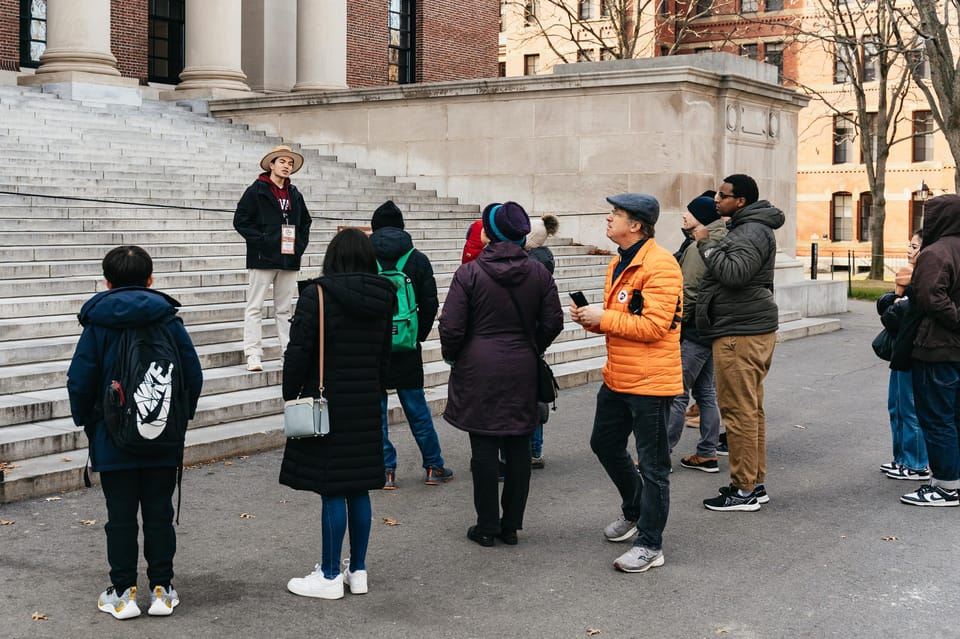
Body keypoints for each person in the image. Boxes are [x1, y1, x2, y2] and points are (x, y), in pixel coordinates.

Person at [66, 246, 203, 620]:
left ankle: (123, 593)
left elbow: (80, 380)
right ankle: (162, 589)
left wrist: (88, 423)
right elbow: (193, 375)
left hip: (112, 437)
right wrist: (178, 418)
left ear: (107, 282)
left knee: (120, 517)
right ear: (150, 279)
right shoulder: (169, 320)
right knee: (159, 513)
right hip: (163, 434)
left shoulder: (98, 324)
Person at [281, 228, 396, 598]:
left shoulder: (317, 294)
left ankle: (330, 574)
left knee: (332, 486)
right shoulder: (384, 296)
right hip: (366, 399)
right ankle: (357, 571)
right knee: (358, 486)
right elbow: (384, 355)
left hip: (327, 401)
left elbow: (297, 352)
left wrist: (289, 394)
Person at [570, 193, 682, 574]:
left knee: (653, 465)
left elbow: (654, 327)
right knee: (603, 443)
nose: (608, 218)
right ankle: (635, 508)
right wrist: (593, 319)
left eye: (615, 214)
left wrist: (604, 318)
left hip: (650, 380)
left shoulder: (661, 265)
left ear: (635, 225)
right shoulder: (620, 261)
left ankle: (651, 544)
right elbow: (622, 317)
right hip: (619, 374)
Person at [440, 202, 563, 547]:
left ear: (490, 233)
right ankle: (511, 525)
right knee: (519, 444)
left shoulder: (470, 273)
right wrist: (531, 346)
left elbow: (451, 327)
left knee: (483, 445)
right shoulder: (539, 273)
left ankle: (487, 525)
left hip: (479, 364)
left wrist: (457, 355)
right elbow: (553, 321)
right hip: (521, 363)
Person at [693, 174, 783, 512]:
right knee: (751, 410)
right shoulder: (751, 228)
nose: (717, 199)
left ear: (741, 201)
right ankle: (753, 483)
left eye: (723, 195)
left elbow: (734, 273)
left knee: (739, 412)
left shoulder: (750, 231)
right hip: (745, 328)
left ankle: (743, 490)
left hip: (740, 333)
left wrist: (706, 243)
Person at [369, 200, 452, 489]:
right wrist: (416, 336)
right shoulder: (417, 259)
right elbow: (430, 303)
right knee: (417, 408)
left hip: (373, 347)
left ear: (374, 227)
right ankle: (433, 465)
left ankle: (386, 470)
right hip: (406, 346)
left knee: (376, 411)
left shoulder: (365, 256)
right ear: (402, 227)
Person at [900, 195, 960, 507]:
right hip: (950, 348)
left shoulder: (936, 253)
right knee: (953, 418)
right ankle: (951, 481)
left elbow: (928, 296)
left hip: (938, 347)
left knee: (937, 418)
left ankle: (947, 486)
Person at [233, 144, 312, 372]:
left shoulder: (294, 193)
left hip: (289, 258)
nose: (287, 166)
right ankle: (253, 353)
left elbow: (305, 222)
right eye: (282, 162)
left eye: (290, 163)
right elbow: (241, 220)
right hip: (263, 257)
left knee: (285, 309)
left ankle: (288, 353)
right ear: (271, 164)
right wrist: (263, 240)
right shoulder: (256, 190)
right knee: (255, 306)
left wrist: (299, 245)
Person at [667, 195, 726, 473]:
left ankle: (658, 456)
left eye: (688, 212)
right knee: (705, 393)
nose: (683, 216)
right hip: (714, 327)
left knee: (677, 395)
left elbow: (688, 291)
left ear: (700, 217)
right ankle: (707, 453)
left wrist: (677, 326)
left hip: (694, 330)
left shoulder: (697, 247)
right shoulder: (721, 238)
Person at [877, 232, 929, 482]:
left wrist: (897, 293)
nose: (909, 249)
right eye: (909, 244)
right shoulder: (908, 275)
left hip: (912, 351)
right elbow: (887, 308)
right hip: (901, 352)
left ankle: (916, 463)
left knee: (910, 409)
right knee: (896, 407)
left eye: (915, 246)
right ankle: (902, 459)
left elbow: (894, 316)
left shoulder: (923, 280)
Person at [524, 214, 560, 469]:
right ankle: (536, 449)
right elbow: (552, 319)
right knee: (535, 396)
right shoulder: (545, 262)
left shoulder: (529, 266)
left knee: (525, 398)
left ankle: (527, 449)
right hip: (536, 343)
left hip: (526, 339)